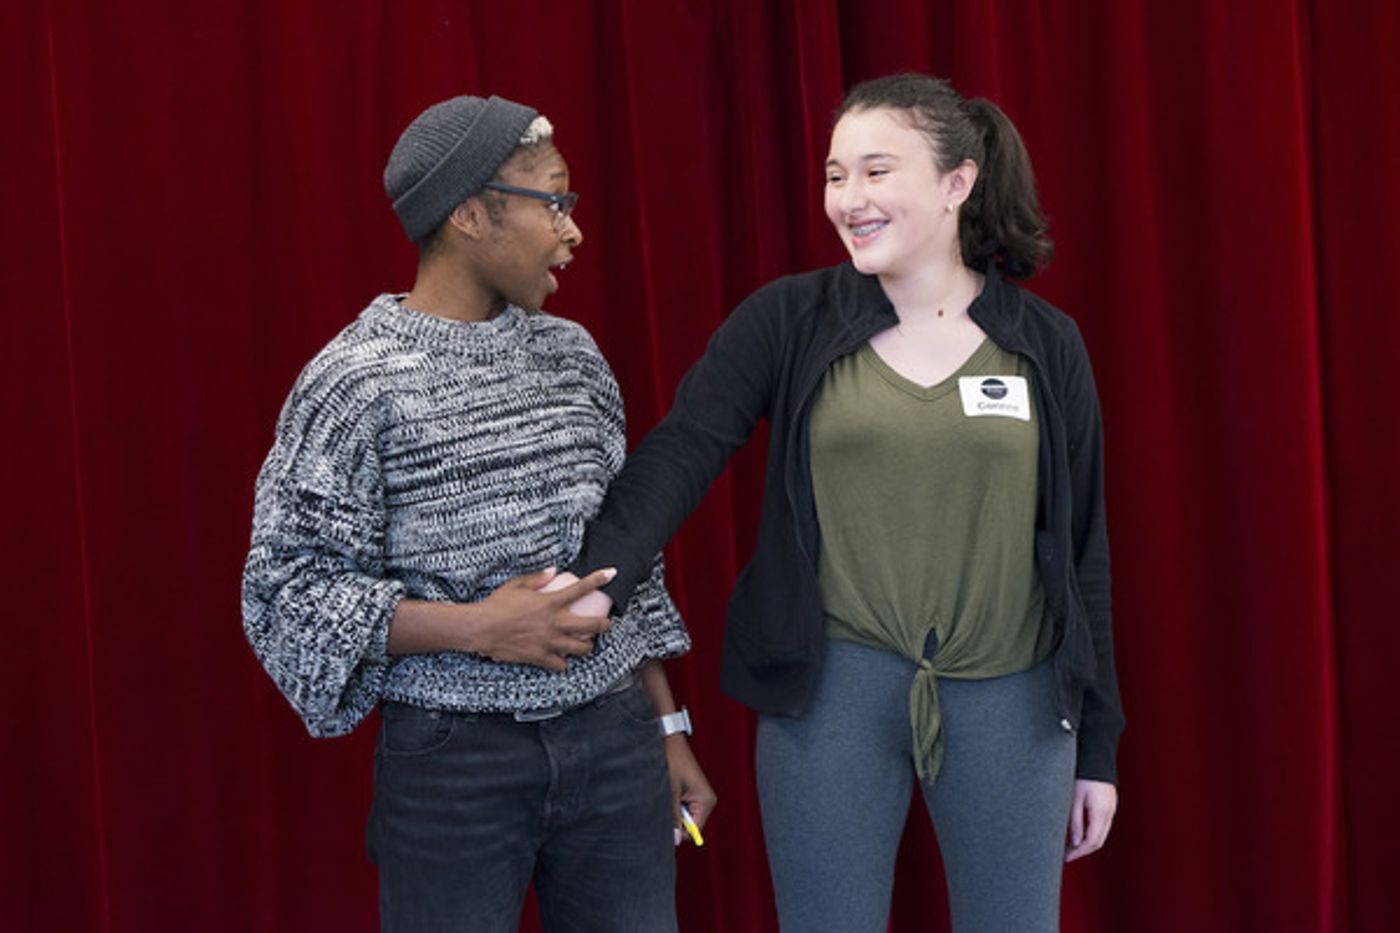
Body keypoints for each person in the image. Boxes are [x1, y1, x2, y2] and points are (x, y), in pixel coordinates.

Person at [569, 74, 1124, 932]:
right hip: (830, 692)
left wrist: (1099, 748)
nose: (848, 199)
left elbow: (1084, 551)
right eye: (835, 175)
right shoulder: (789, 320)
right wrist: (596, 578)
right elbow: (683, 450)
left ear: (956, 183)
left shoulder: (1047, 344)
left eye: (875, 172)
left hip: (1014, 698)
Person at [242, 93, 715, 933]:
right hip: (451, 765)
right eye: (555, 200)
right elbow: (286, 592)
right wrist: (477, 628)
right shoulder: (355, 383)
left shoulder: (574, 357)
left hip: (614, 747)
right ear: (469, 212)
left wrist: (665, 724)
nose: (574, 229)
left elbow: (624, 559)